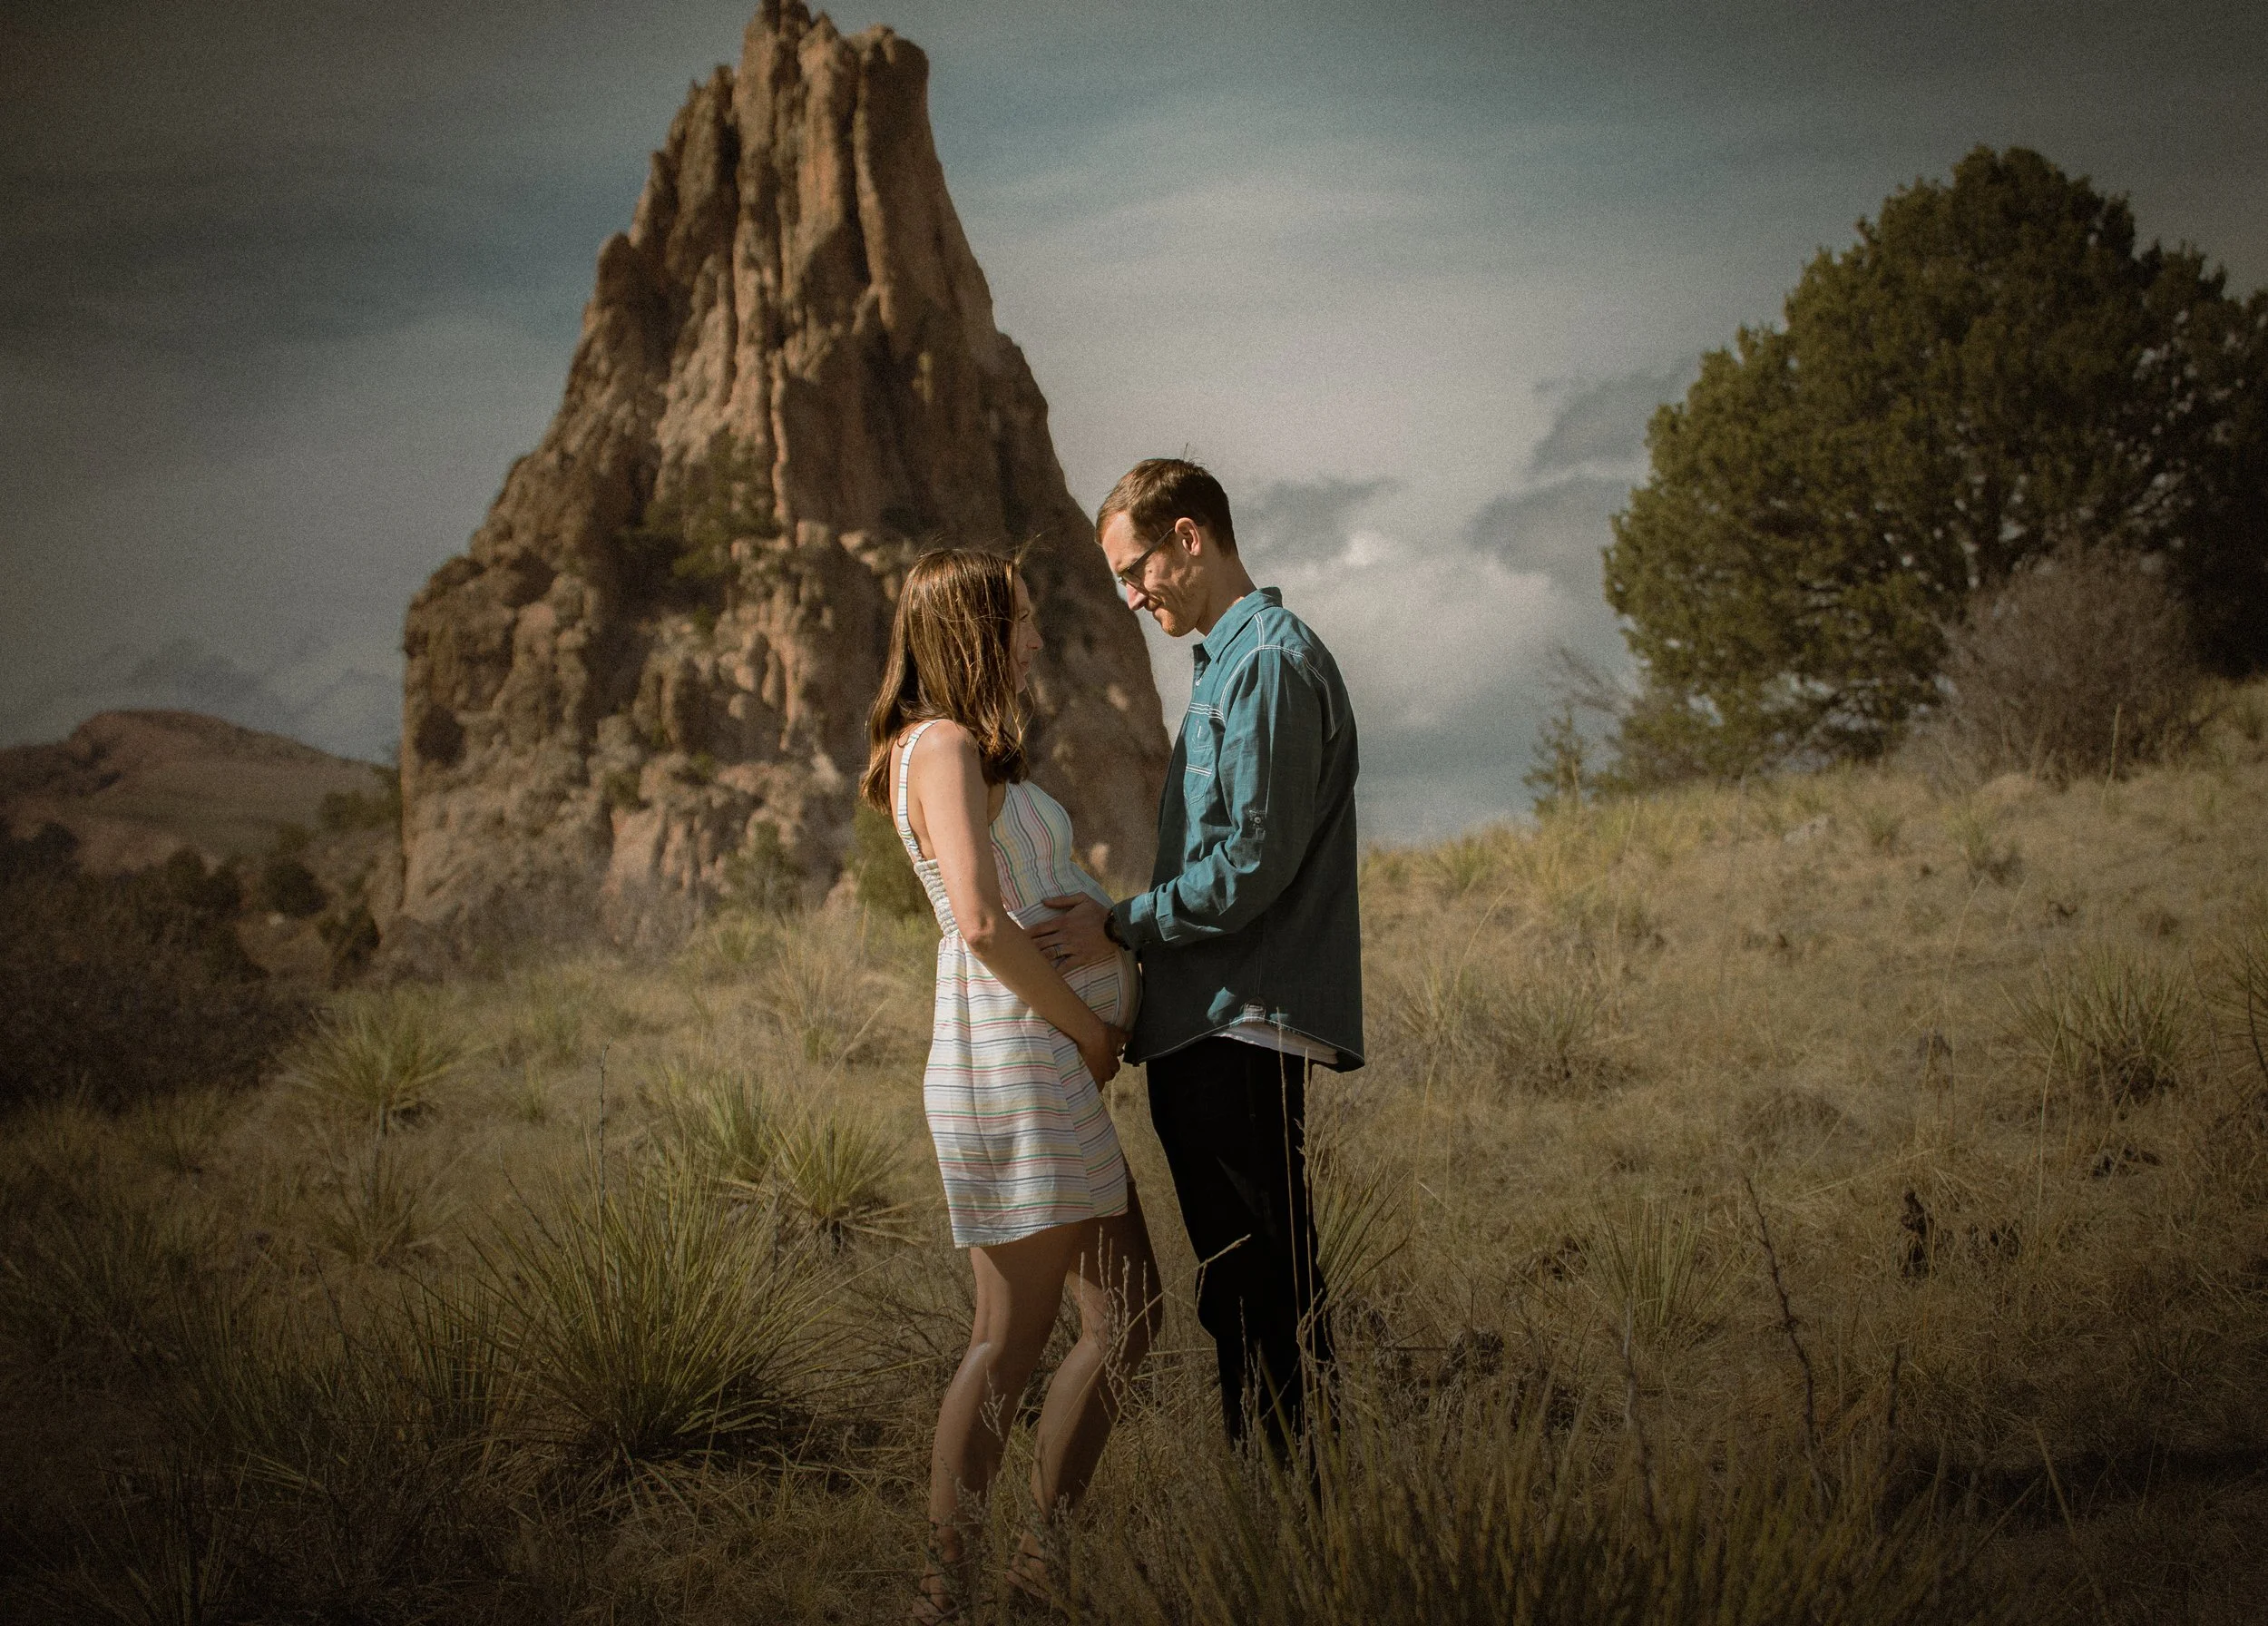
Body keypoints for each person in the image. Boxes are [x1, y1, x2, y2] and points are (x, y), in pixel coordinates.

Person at [1031, 458, 1363, 1458]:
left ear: (1190, 537)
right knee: (1243, 1284)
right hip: (1209, 1021)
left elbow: (1252, 864)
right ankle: (1276, 1509)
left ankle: (1297, 1514)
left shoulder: (1264, 662)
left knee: (1263, 1285)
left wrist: (1122, 925)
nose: (1133, 598)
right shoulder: (1228, 662)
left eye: (1138, 570)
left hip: (1239, 1019)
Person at [859, 547, 1163, 1622]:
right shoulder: (937, 743)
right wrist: (1089, 1030)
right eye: (1019, 621)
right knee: (1009, 1334)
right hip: (1019, 1054)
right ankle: (945, 1595)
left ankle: (1039, 1575)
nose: (1033, 638)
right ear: (972, 632)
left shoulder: (967, 750)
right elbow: (981, 921)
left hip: (1041, 1058)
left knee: (1123, 1313)